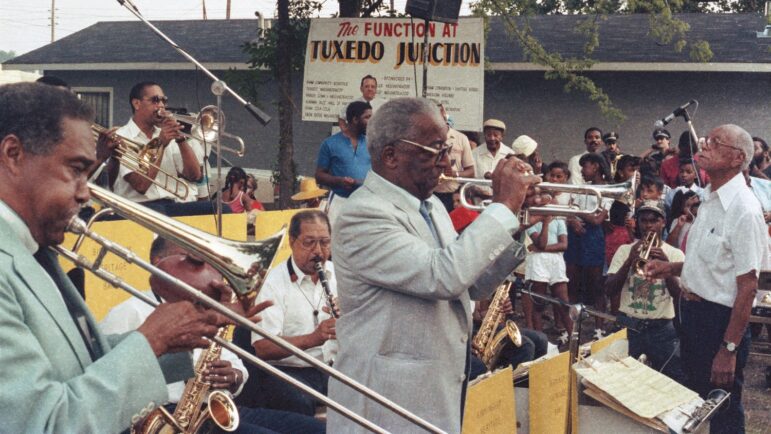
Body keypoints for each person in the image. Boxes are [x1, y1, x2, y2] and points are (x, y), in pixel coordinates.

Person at [0, 81, 247, 433]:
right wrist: (151, 339)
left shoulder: (33, 249)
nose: (87, 194)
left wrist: (182, 335)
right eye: (75, 170)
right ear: (13, 154)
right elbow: (44, 425)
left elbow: (79, 360)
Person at [327, 97, 542, 433]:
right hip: (386, 403)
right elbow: (442, 275)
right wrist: (501, 207)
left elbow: (470, 283)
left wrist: (515, 221)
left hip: (432, 393)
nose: (446, 162)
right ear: (391, 155)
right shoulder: (363, 214)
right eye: (435, 150)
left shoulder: (431, 206)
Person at [100, 237, 324, 434]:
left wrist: (234, 375)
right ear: (158, 263)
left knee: (318, 429)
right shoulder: (128, 311)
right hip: (163, 416)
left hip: (214, 408)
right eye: (190, 260)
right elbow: (111, 381)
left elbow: (238, 366)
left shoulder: (207, 307)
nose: (203, 268)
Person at [645, 124, 768, 434]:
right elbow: (711, 264)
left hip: (719, 322)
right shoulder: (708, 197)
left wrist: (728, 350)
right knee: (696, 402)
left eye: (716, 142)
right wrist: (670, 269)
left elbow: (748, 286)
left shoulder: (744, 210)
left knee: (724, 408)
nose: (704, 144)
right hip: (692, 315)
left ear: (737, 158)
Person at [251, 210, 338, 416]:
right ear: (292, 242)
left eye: (325, 242)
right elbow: (263, 348)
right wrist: (312, 338)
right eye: (309, 242)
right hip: (289, 372)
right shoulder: (273, 283)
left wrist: (353, 317)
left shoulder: (339, 274)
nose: (318, 251)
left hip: (335, 368)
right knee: (297, 403)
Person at [605, 201, 686, 383]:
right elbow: (609, 290)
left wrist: (668, 267)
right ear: (638, 222)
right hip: (629, 325)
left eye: (653, 221)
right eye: (643, 221)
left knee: (670, 381)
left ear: (663, 222)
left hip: (662, 329)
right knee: (620, 381)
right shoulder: (625, 250)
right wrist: (629, 261)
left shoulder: (675, 254)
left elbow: (679, 296)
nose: (648, 225)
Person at [110, 81, 203, 213]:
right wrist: (160, 144)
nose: (161, 106)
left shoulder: (164, 133)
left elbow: (194, 176)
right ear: (136, 104)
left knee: (220, 208)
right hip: (138, 207)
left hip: (170, 204)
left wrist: (180, 139)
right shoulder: (121, 136)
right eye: (155, 100)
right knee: (160, 211)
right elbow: (141, 185)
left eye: (164, 101)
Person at [564, 152, 610, 337]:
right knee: (573, 283)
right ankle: (573, 326)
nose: (582, 171)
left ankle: (599, 327)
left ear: (596, 166)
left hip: (593, 239)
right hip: (575, 236)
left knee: (596, 284)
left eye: (585, 166)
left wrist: (578, 214)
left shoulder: (609, 189)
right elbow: (570, 211)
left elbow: (598, 219)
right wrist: (572, 220)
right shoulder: (582, 188)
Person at [315, 101, 372, 226]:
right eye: (367, 117)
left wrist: (359, 182)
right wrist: (339, 181)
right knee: (336, 241)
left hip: (367, 203)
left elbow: (379, 175)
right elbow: (319, 175)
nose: (371, 121)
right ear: (355, 119)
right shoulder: (330, 143)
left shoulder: (372, 143)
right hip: (339, 202)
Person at [433, 101, 475, 212]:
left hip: (453, 196)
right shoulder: (423, 138)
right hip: (430, 194)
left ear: (443, 112)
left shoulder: (461, 138)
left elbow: (471, 172)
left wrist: (454, 174)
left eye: (438, 114)